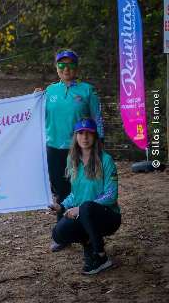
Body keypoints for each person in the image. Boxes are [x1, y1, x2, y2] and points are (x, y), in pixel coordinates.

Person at [44, 49, 104, 251]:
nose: (66, 69)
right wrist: (33, 100)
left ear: (76, 68)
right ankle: (63, 234)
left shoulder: (87, 91)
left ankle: (86, 233)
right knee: (61, 192)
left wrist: (99, 146)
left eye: (70, 65)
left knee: (80, 190)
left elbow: (97, 119)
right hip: (54, 149)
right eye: (61, 65)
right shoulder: (49, 92)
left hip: (80, 149)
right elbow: (33, 119)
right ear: (56, 68)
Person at [49, 118, 121, 275]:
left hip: (108, 216)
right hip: (84, 215)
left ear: (95, 136)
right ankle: (88, 242)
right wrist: (61, 206)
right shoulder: (71, 159)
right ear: (75, 136)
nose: (85, 137)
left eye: (89, 133)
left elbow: (111, 194)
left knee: (87, 207)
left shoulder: (106, 160)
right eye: (80, 133)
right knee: (58, 233)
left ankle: (101, 257)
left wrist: (80, 209)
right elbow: (75, 193)